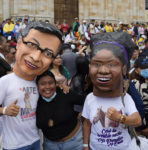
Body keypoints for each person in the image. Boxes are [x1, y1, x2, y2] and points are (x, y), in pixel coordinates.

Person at [82, 32, 148, 150]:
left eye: (112, 64)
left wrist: (120, 118)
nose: (103, 70)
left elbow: (138, 120)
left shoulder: (126, 98)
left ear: (124, 69)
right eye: (96, 64)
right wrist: (85, 145)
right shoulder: (89, 98)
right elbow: (87, 123)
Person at [0, 21, 62, 150]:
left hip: (35, 140)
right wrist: (5, 110)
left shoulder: (40, 82)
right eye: (32, 45)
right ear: (19, 42)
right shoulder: (5, 81)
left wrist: (63, 87)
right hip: (14, 145)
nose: (36, 57)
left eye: (48, 54)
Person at [36, 70, 85, 150]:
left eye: (50, 83)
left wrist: (84, 114)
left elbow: (86, 101)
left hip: (75, 143)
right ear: (37, 86)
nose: (47, 87)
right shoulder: (35, 101)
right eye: (43, 84)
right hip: (50, 145)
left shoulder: (65, 93)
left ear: (55, 84)